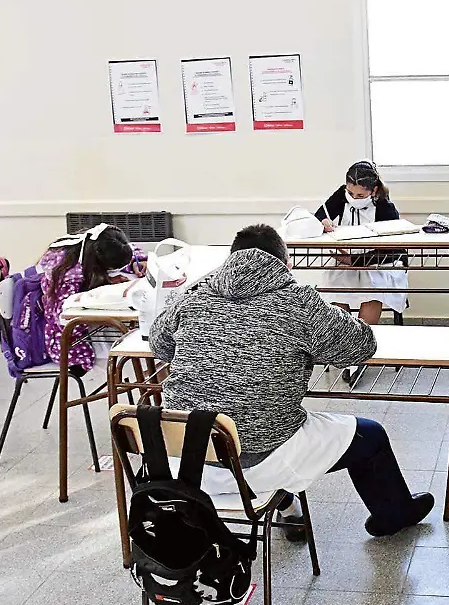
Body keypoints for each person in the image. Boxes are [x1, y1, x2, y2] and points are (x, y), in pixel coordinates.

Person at [149, 224, 433, 539]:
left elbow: (159, 345)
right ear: (286, 264)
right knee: (371, 437)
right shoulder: (298, 302)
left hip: (186, 458)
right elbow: (361, 346)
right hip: (260, 455)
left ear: (230, 259)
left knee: (255, 424)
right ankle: (394, 515)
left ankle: (288, 508)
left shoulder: (194, 296)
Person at [38, 225, 144, 376]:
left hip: (89, 330)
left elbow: (131, 250)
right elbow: (66, 320)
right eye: (112, 269)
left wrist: (137, 262)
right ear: (99, 265)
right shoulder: (67, 277)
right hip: (70, 342)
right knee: (137, 355)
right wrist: (105, 287)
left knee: (137, 342)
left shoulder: (95, 243)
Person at [313, 160, 407, 327]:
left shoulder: (386, 208)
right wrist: (324, 220)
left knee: (374, 290)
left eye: (360, 196)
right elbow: (320, 214)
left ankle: (363, 337)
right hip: (345, 259)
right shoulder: (342, 195)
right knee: (332, 287)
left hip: (377, 261)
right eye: (351, 193)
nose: (354, 198)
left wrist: (355, 261)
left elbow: (394, 250)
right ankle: (346, 337)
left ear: (374, 190)